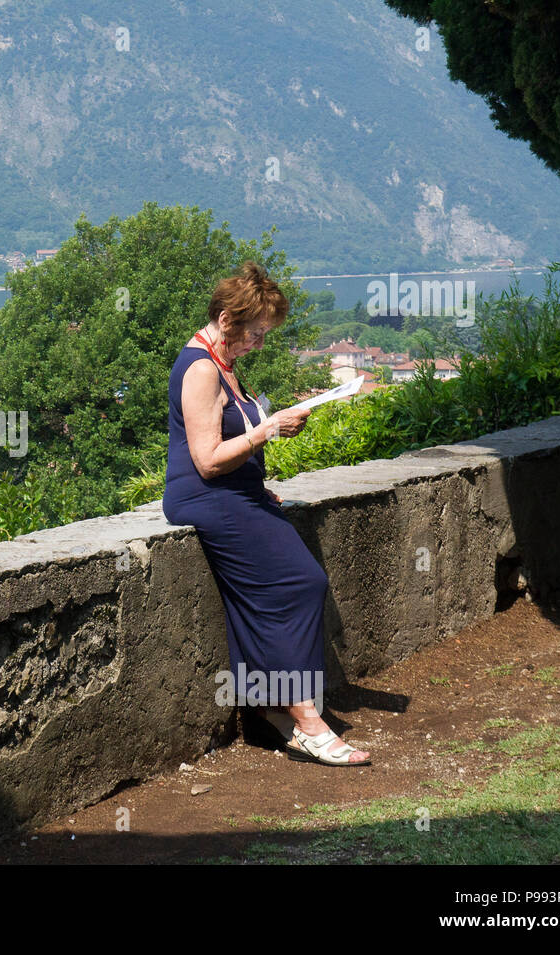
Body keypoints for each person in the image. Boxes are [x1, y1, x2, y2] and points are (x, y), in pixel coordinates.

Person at [163, 262, 371, 766]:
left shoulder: (224, 364)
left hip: (238, 494)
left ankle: (267, 705)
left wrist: (263, 461)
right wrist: (267, 429)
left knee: (263, 597)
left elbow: (234, 450)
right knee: (299, 583)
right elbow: (207, 459)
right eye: (256, 333)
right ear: (228, 319)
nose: (260, 343)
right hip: (209, 498)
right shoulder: (200, 367)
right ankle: (307, 720)